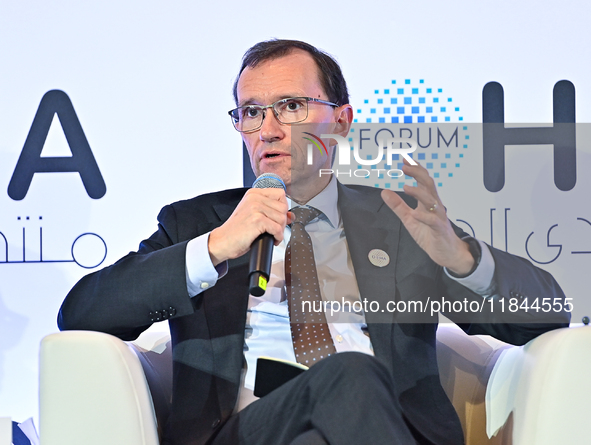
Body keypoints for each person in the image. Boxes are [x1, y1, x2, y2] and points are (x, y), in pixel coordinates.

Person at [59, 39, 570, 445]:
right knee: (348, 373)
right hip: (245, 429)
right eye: (251, 112)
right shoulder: (199, 222)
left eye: (291, 106)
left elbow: (544, 313)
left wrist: (461, 258)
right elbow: (83, 312)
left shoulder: (398, 221)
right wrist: (214, 247)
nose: (268, 130)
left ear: (342, 122)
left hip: (381, 425)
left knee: (345, 394)